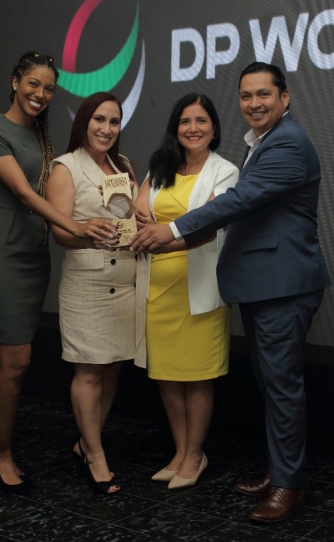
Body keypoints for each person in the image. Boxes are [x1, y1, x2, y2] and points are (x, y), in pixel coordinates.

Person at [131, 62, 331, 522]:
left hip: (284, 286)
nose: (254, 103)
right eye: (246, 96)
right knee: (272, 385)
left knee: (282, 388)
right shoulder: (264, 141)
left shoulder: (287, 142)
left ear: (284, 98)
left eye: (264, 94)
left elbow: (239, 201)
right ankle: (281, 471)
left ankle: (288, 486)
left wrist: (172, 228)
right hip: (266, 285)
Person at [0, 53, 117, 495]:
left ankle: (2, 448)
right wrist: (76, 226)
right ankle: (0, 454)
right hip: (1, 253)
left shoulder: (41, 134)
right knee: (16, 361)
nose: (40, 94)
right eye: (33, 84)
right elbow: (20, 191)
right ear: (16, 81)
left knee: (18, 361)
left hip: (34, 256)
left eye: (49, 88)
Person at [133, 93, 238, 490]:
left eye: (201, 120)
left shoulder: (225, 171)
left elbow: (207, 225)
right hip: (158, 288)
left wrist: (160, 237)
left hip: (200, 288)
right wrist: (157, 231)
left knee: (196, 377)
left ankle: (195, 454)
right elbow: (139, 212)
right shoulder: (160, 167)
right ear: (175, 128)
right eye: (185, 121)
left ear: (214, 127)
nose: (193, 128)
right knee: (167, 375)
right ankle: (180, 451)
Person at [45, 91, 146, 495]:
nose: (106, 128)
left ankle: (87, 442)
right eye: (99, 120)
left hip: (126, 280)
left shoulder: (124, 165)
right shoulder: (65, 167)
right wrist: (86, 232)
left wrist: (143, 221)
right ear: (84, 122)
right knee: (88, 372)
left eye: (114, 121)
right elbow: (59, 232)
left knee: (114, 366)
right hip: (87, 283)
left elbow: (133, 218)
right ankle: (96, 455)